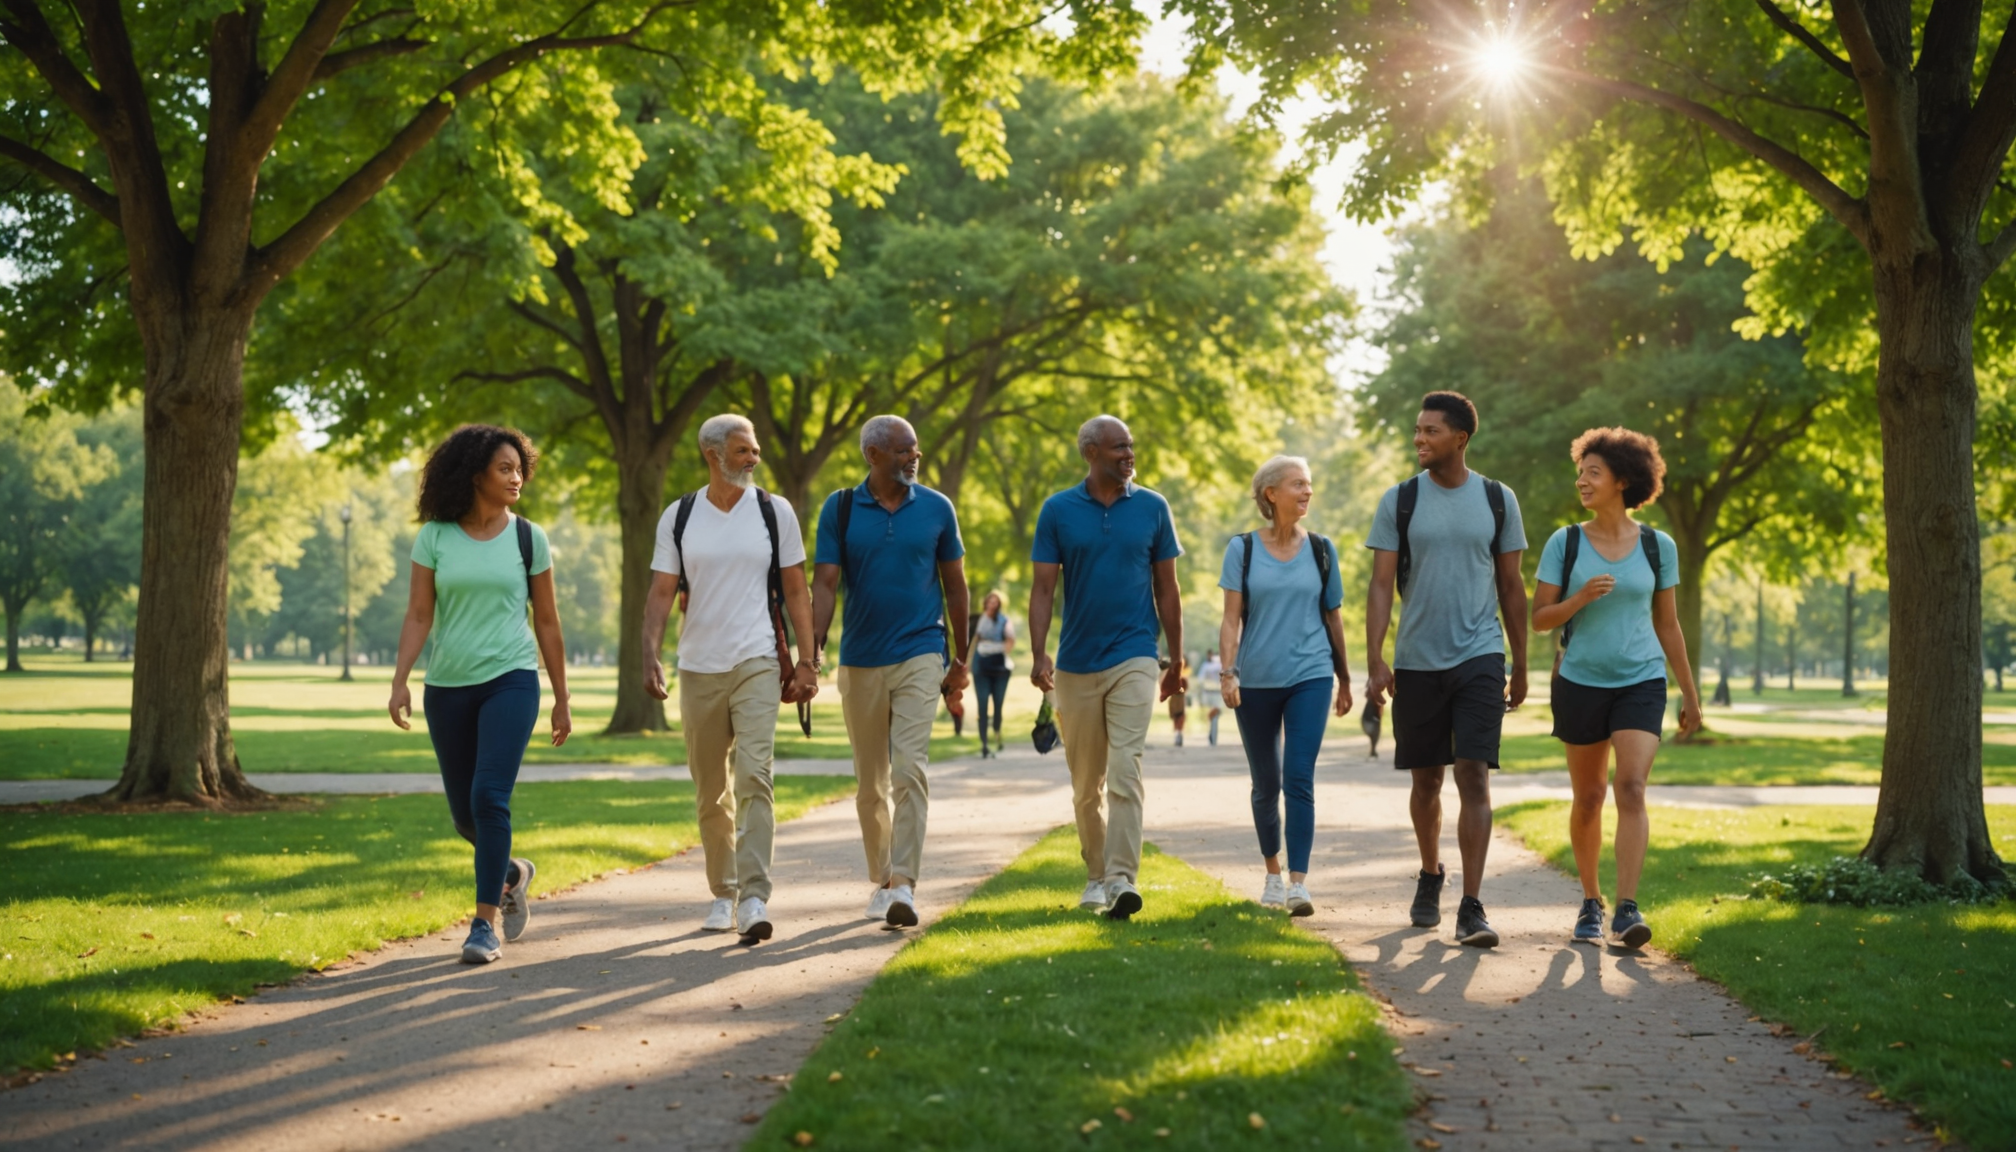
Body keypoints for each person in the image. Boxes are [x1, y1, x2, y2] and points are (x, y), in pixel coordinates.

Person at [388, 424, 572, 965]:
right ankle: (513, 872)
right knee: (465, 815)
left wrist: (561, 695)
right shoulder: (435, 537)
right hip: (447, 686)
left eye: (520, 468)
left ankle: (482, 927)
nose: (517, 477)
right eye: (505, 469)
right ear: (474, 476)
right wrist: (400, 678)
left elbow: (548, 621)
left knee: (490, 798)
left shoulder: (528, 538)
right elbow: (420, 613)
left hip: (512, 679)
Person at [641, 414, 819, 946]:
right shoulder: (681, 516)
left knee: (755, 777)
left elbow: (796, 590)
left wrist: (808, 661)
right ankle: (724, 891)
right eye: (743, 450)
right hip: (698, 665)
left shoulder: (773, 511)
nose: (753, 458)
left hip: (758, 659)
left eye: (756, 449)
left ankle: (755, 897)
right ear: (712, 454)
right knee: (709, 788)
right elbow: (660, 593)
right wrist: (649, 653)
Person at [1364, 391, 1528, 948]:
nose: (1419, 440)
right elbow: (1381, 583)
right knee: (1426, 780)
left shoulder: (1498, 500)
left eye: (1430, 432)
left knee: (1473, 774)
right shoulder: (1400, 500)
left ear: (1459, 438)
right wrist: (1375, 658)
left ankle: (1473, 907)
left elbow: (1512, 586)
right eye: (1417, 430)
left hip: (1481, 652)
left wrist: (1521, 661)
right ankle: (1432, 872)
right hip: (1417, 659)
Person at [1531, 427, 1702, 947]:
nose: (1582, 480)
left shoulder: (1657, 546)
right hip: (1581, 680)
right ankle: (1590, 903)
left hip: (1642, 679)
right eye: (1580, 471)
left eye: (1593, 473)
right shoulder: (1566, 542)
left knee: (1631, 787)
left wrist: (1690, 696)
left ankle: (1627, 909)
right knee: (1589, 797)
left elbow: (1668, 625)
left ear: (1623, 481)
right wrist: (1580, 597)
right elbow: (1539, 618)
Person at [811, 415, 970, 929]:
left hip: (922, 651)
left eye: (915, 449)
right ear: (873, 455)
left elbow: (956, 586)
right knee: (870, 783)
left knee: (910, 769)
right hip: (860, 659)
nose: (913, 458)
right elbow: (826, 586)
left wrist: (960, 657)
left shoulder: (938, 508)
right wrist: (810, 654)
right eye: (903, 450)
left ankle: (904, 882)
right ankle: (882, 878)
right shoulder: (839, 510)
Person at [1029, 415, 1184, 921]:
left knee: (1125, 769)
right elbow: (1044, 590)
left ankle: (1121, 879)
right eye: (1119, 447)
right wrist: (1038, 654)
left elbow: (1168, 588)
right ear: (1091, 452)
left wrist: (1175, 658)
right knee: (1084, 785)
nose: (1129, 454)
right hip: (1075, 663)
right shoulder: (1058, 510)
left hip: (1136, 655)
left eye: (1131, 446)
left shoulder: (1153, 507)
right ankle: (1095, 875)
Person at [1218, 456, 1353, 917]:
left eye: (1309, 484)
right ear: (1270, 493)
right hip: (1255, 679)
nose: (1307, 491)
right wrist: (1228, 671)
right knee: (1266, 781)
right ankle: (1272, 874)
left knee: (1298, 776)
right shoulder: (1243, 549)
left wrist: (1345, 677)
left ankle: (1299, 883)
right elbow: (1231, 617)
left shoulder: (1321, 549)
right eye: (1298, 484)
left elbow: (1333, 616)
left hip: (1310, 675)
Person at [972, 591, 1016, 758]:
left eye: (995, 602)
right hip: (981, 668)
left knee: (998, 705)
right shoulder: (978, 621)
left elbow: (1010, 641)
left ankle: (997, 734)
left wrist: (994, 648)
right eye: (989, 602)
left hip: (1000, 669)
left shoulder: (1005, 621)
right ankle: (984, 744)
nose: (992, 605)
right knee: (982, 706)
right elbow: (973, 643)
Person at [1198, 650, 1224, 746]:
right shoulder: (1219, 664)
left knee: (1214, 716)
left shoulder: (1207, 666)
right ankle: (1212, 734)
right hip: (1211, 693)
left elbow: (1200, 679)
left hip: (1214, 693)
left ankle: (1213, 735)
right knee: (1213, 716)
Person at [1164, 653, 1190, 747]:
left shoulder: (1185, 673)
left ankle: (1179, 734)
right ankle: (1177, 734)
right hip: (1175, 698)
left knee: (1180, 717)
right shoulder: (1174, 673)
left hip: (1180, 698)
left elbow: (1185, 687)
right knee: (1176, 717)